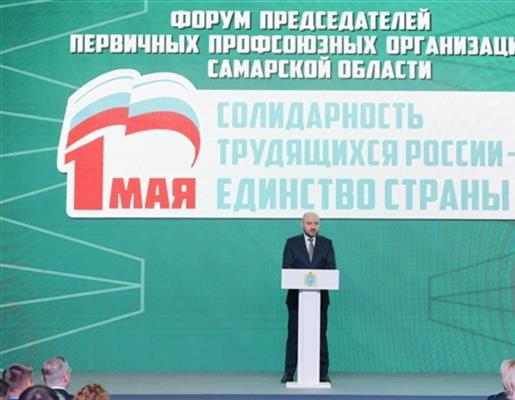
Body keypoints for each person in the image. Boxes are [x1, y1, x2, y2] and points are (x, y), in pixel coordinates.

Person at [281, 212, 336, 384]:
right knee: (294, 334)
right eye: (309, 223)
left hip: (320, 299)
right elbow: (287, 268)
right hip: (296, 300)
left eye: (316, 223)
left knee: (320, 334)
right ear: (302, 224)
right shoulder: (291, 243)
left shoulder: (327, 244)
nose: (313, 227)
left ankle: (323, 372)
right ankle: (289, 372)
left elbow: (331, 269)